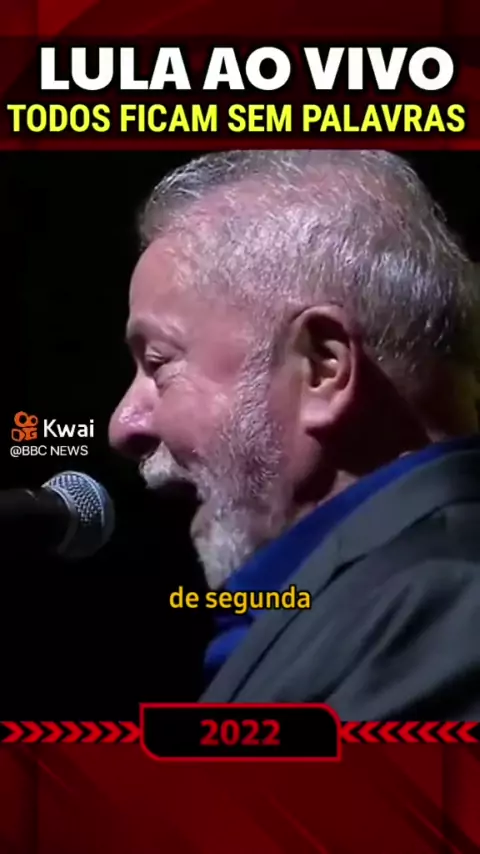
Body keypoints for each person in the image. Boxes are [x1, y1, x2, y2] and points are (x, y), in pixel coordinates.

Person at [109, 150, 480, 720]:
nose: (124, 424)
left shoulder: (440, 606)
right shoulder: (369, 602)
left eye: (159, 363)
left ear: (323, 368)